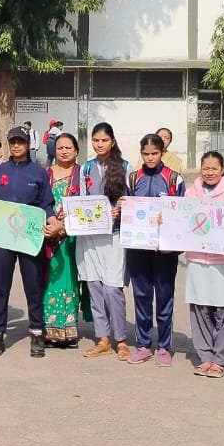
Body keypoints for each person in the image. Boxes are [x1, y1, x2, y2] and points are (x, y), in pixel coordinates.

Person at [0, 127, 59, 358]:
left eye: (21, 142)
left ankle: (37, 331)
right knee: (0, 287)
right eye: (13, 142)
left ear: (28, 145)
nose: (16, 146)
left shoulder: (39, 173)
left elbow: (47, 203)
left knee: (33, 286)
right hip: (3, 239)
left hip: (29, 237)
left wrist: (52, 219)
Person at [125, 132, 186, 367]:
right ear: (141, 154)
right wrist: (122, 208)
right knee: (141, 296)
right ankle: (142, 344)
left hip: (165, 251)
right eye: (146, 154)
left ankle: (163, 346)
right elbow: (128, 207)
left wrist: (173, 243)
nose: (150, 158)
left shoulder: (174, 179)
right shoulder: (132, 179)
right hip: (138, 249)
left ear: (163, 153)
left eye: (155, 153)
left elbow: (182, 214)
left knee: (164, 296)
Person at [185, 151, 224, 377]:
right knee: (199, 308)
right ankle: (205, 356)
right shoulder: (191, 192)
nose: (209, 172)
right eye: (206, 168)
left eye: (214, 168)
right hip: (197, 259)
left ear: (222, 170)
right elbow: (181, 223)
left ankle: (220, 359)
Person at [77, 123, 132, 360]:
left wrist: (122, 207)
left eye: (104, 140)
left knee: (113, 289)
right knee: (95, 288)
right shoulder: (86, 169)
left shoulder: (125, 166)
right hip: (90, 237)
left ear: (112, 141)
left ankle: (121, 339)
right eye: (96, 140)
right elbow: (81, 199)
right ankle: (103, 339)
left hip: (115, 236)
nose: (99, 144)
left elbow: (133, 199)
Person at [40, 134, 90, 351]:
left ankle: (69, 330)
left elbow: (89, 204)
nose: (63, 151)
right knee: (50, 281)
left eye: (68, 147)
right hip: (49, 236)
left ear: (76, 150)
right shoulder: (46, 174)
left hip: (73, 236)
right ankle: (49, 330)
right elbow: (39, 201)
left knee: (70, 282)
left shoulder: (83, 175)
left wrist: (66, 226)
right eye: (59, 147)